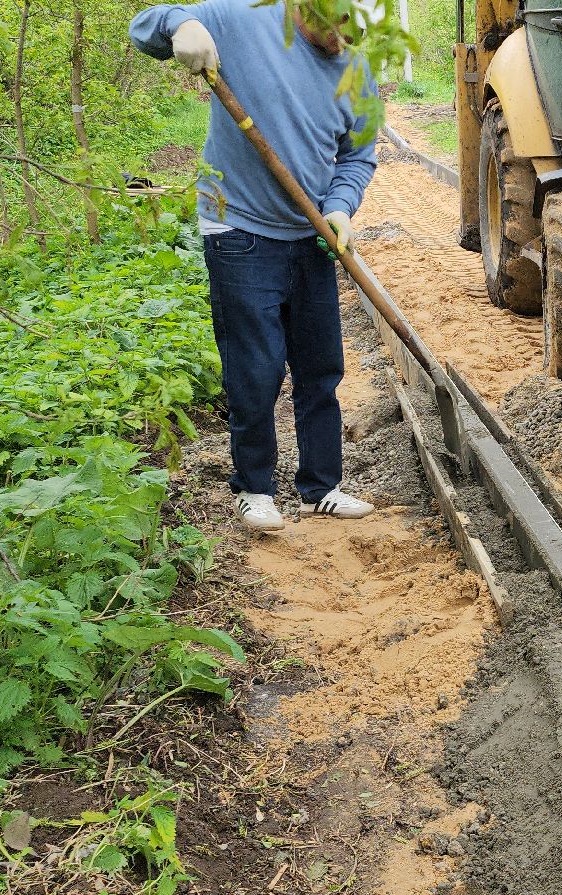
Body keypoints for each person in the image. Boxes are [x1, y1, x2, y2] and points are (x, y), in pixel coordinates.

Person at [130, 1, 378, 532]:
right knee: (256, 368)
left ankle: (321, 488)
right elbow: (144, 25)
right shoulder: (241, 19)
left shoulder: (357, 69)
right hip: (239, 228)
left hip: (312, 233)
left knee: (320, 367)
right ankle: (255, 489)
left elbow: (358, 156)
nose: (345, 37)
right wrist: (181, 26)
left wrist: (339, 207)